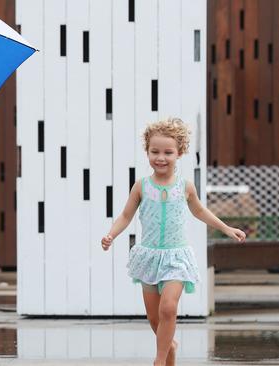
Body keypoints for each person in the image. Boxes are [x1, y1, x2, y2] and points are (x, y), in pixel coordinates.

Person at [101, 117, 245, 366]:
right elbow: (126, 215)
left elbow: (200, 211)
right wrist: (111, 234)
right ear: (147, 151)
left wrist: (226, 228)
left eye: (168, 152)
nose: (161, 157)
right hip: (148, 256)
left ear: (179, 153)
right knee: (154, 318)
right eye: (154, 151)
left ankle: (159, 360)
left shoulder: (185, 186)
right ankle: (170, 347)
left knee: (168, 308)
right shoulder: (141, 186)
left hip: (176, 257)